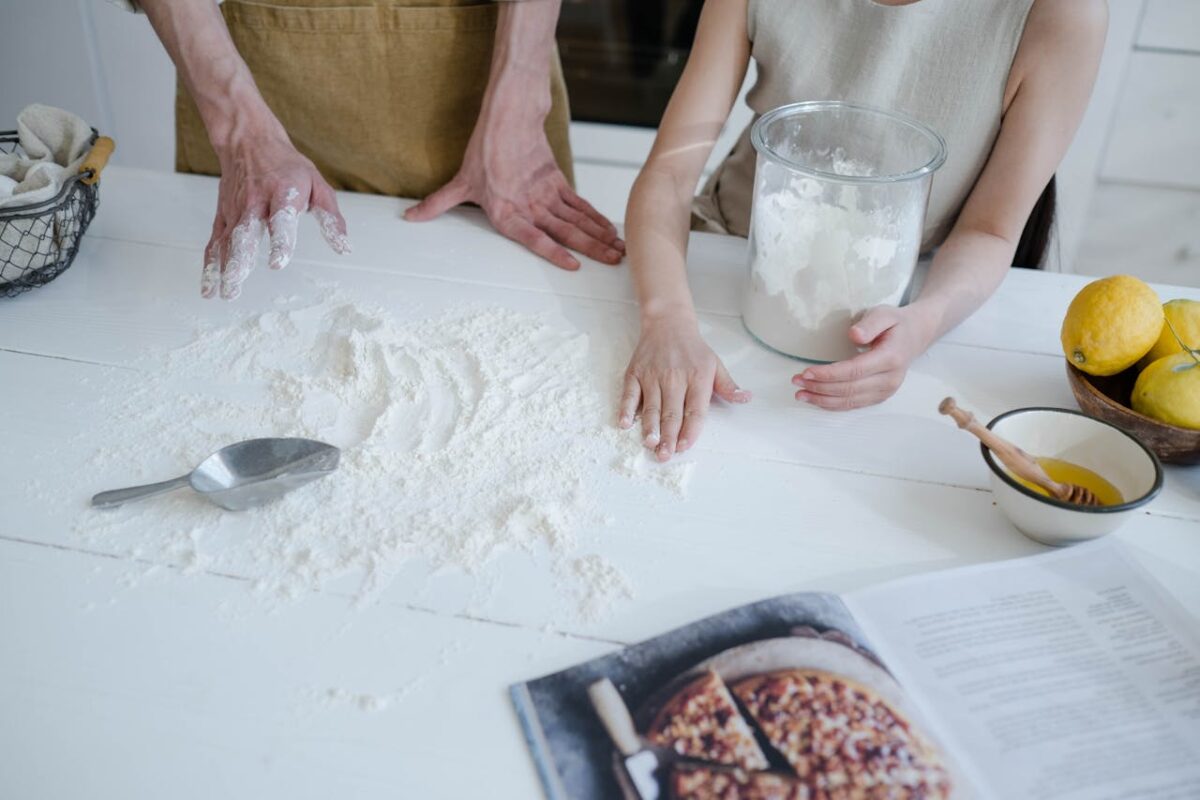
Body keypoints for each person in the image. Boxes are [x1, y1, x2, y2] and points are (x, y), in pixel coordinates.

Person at [618, 0, 1106, 462]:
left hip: (896, 300)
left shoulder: (1062, 14)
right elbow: (669, 176)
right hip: (726, 260)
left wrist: (923, 323)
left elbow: (989, 232)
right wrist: (667, 321)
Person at [111, 0, 625, 299]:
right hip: (251, 89)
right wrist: (239, 129)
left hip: (496, 87)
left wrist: (520, 90)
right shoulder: (242, 127)